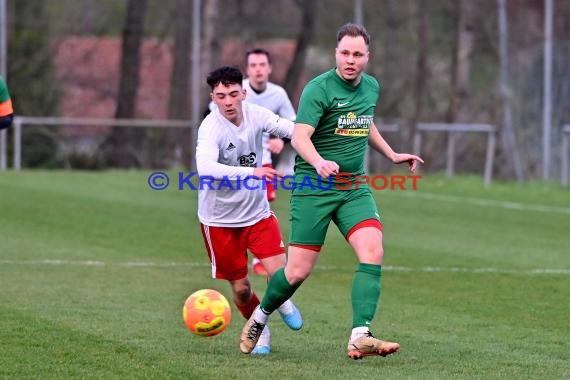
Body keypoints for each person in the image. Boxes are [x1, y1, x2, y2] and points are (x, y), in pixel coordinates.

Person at [239, 24, 424, 359]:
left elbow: (364, 122)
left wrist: (392, 153)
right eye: (345, 53)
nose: (350, 60)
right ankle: (260, 315)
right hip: (314, 188)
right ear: (335, 53)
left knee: (373, 251)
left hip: (353, 187)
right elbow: (299, 137)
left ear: (368, 57)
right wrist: (320, 162)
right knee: (297, 271)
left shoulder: (371, 87)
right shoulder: (318, 89)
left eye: (357, 54)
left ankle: (360, 334)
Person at [196, 66, 303, 355]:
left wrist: (319, 139)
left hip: (257, 213)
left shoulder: (257, 115)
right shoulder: (210, 128)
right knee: (241, 289)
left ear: (243, 93)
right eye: (221, 96)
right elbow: (205, 168)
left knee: (282, 274)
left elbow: (291, 129)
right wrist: (252, 173)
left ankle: (278, 302)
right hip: (219, 220)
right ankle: (262, 331)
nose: (228, 101)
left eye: (233, 94)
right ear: (213, 98)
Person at [242, 48, 297, 276]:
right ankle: (248, 253)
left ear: (269, 68)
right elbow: (212, 115)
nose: (258, 69)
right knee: (243, 207)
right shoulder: (238, 91)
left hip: (263, 162)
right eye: (253, 65)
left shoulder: (278, 94)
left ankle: (260, 257)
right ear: (248, 69)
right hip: (237, 162)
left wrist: (280, 140)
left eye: (262, 64)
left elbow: (294, 124)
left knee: (261, 206)